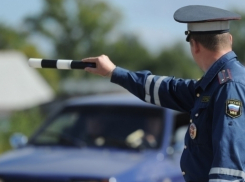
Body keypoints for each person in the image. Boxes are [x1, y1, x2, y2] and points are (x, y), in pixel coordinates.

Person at [82, 5, 245, 182]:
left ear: (195, 45)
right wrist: (114, 72)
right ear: (230, 39)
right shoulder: (216, 83)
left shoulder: (229, 86)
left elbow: (228, 170)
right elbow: (168, 89)